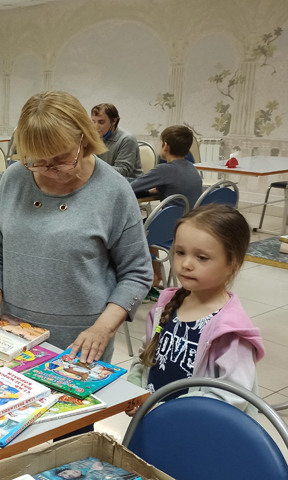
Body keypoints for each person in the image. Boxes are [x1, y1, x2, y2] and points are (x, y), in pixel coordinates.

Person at [0, 91, 152, 368]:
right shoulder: (14, 179)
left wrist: (103, 329)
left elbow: (137, 273)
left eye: (61, 158)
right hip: (12, 336)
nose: (50, 170)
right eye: (38, 160)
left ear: (84, 139)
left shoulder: (114, 190)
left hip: (80, 344)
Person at [126, 204, 264, 418]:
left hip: (196, 428)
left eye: (202, 257)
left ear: (233, 264)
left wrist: (167, 411)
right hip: (152, 422)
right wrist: (134, 392)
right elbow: (145, 356)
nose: (186, 264)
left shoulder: (231, 331)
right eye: (180, 252)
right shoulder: (166, 305)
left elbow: (233, 396)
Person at [130, 125, 203, 299]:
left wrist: (149, 188)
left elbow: (129, 187)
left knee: (133, 229)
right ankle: (155, 278)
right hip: (186, 228)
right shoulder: (192, 169)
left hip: (168, 228)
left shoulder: (164, 170)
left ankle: (147, 280)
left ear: (165, 146)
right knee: (151, 228)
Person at [91, 103, 143, 179]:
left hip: (129, 182)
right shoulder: (96, 137)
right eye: (93, 122)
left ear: (114, 121)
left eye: (101, 122)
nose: (95, 126)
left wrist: (92, 169)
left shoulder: (127, 139)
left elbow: (124, 171)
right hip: (106, 179)